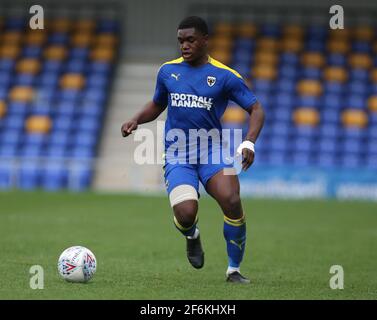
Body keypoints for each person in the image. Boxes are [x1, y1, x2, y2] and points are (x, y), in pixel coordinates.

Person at [121, 16, 264, 283]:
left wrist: (248, 141)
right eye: (180, 41)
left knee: (232, 200)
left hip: (212, 151)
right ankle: (191, 235)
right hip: (178, 153)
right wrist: (136, 120)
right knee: (186, 213)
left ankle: (234, 270)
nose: (184, 46)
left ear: (205, 41)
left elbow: (255, 108)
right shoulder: (167, 71)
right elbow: (157, 104)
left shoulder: (225, 76)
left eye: (190, 40)